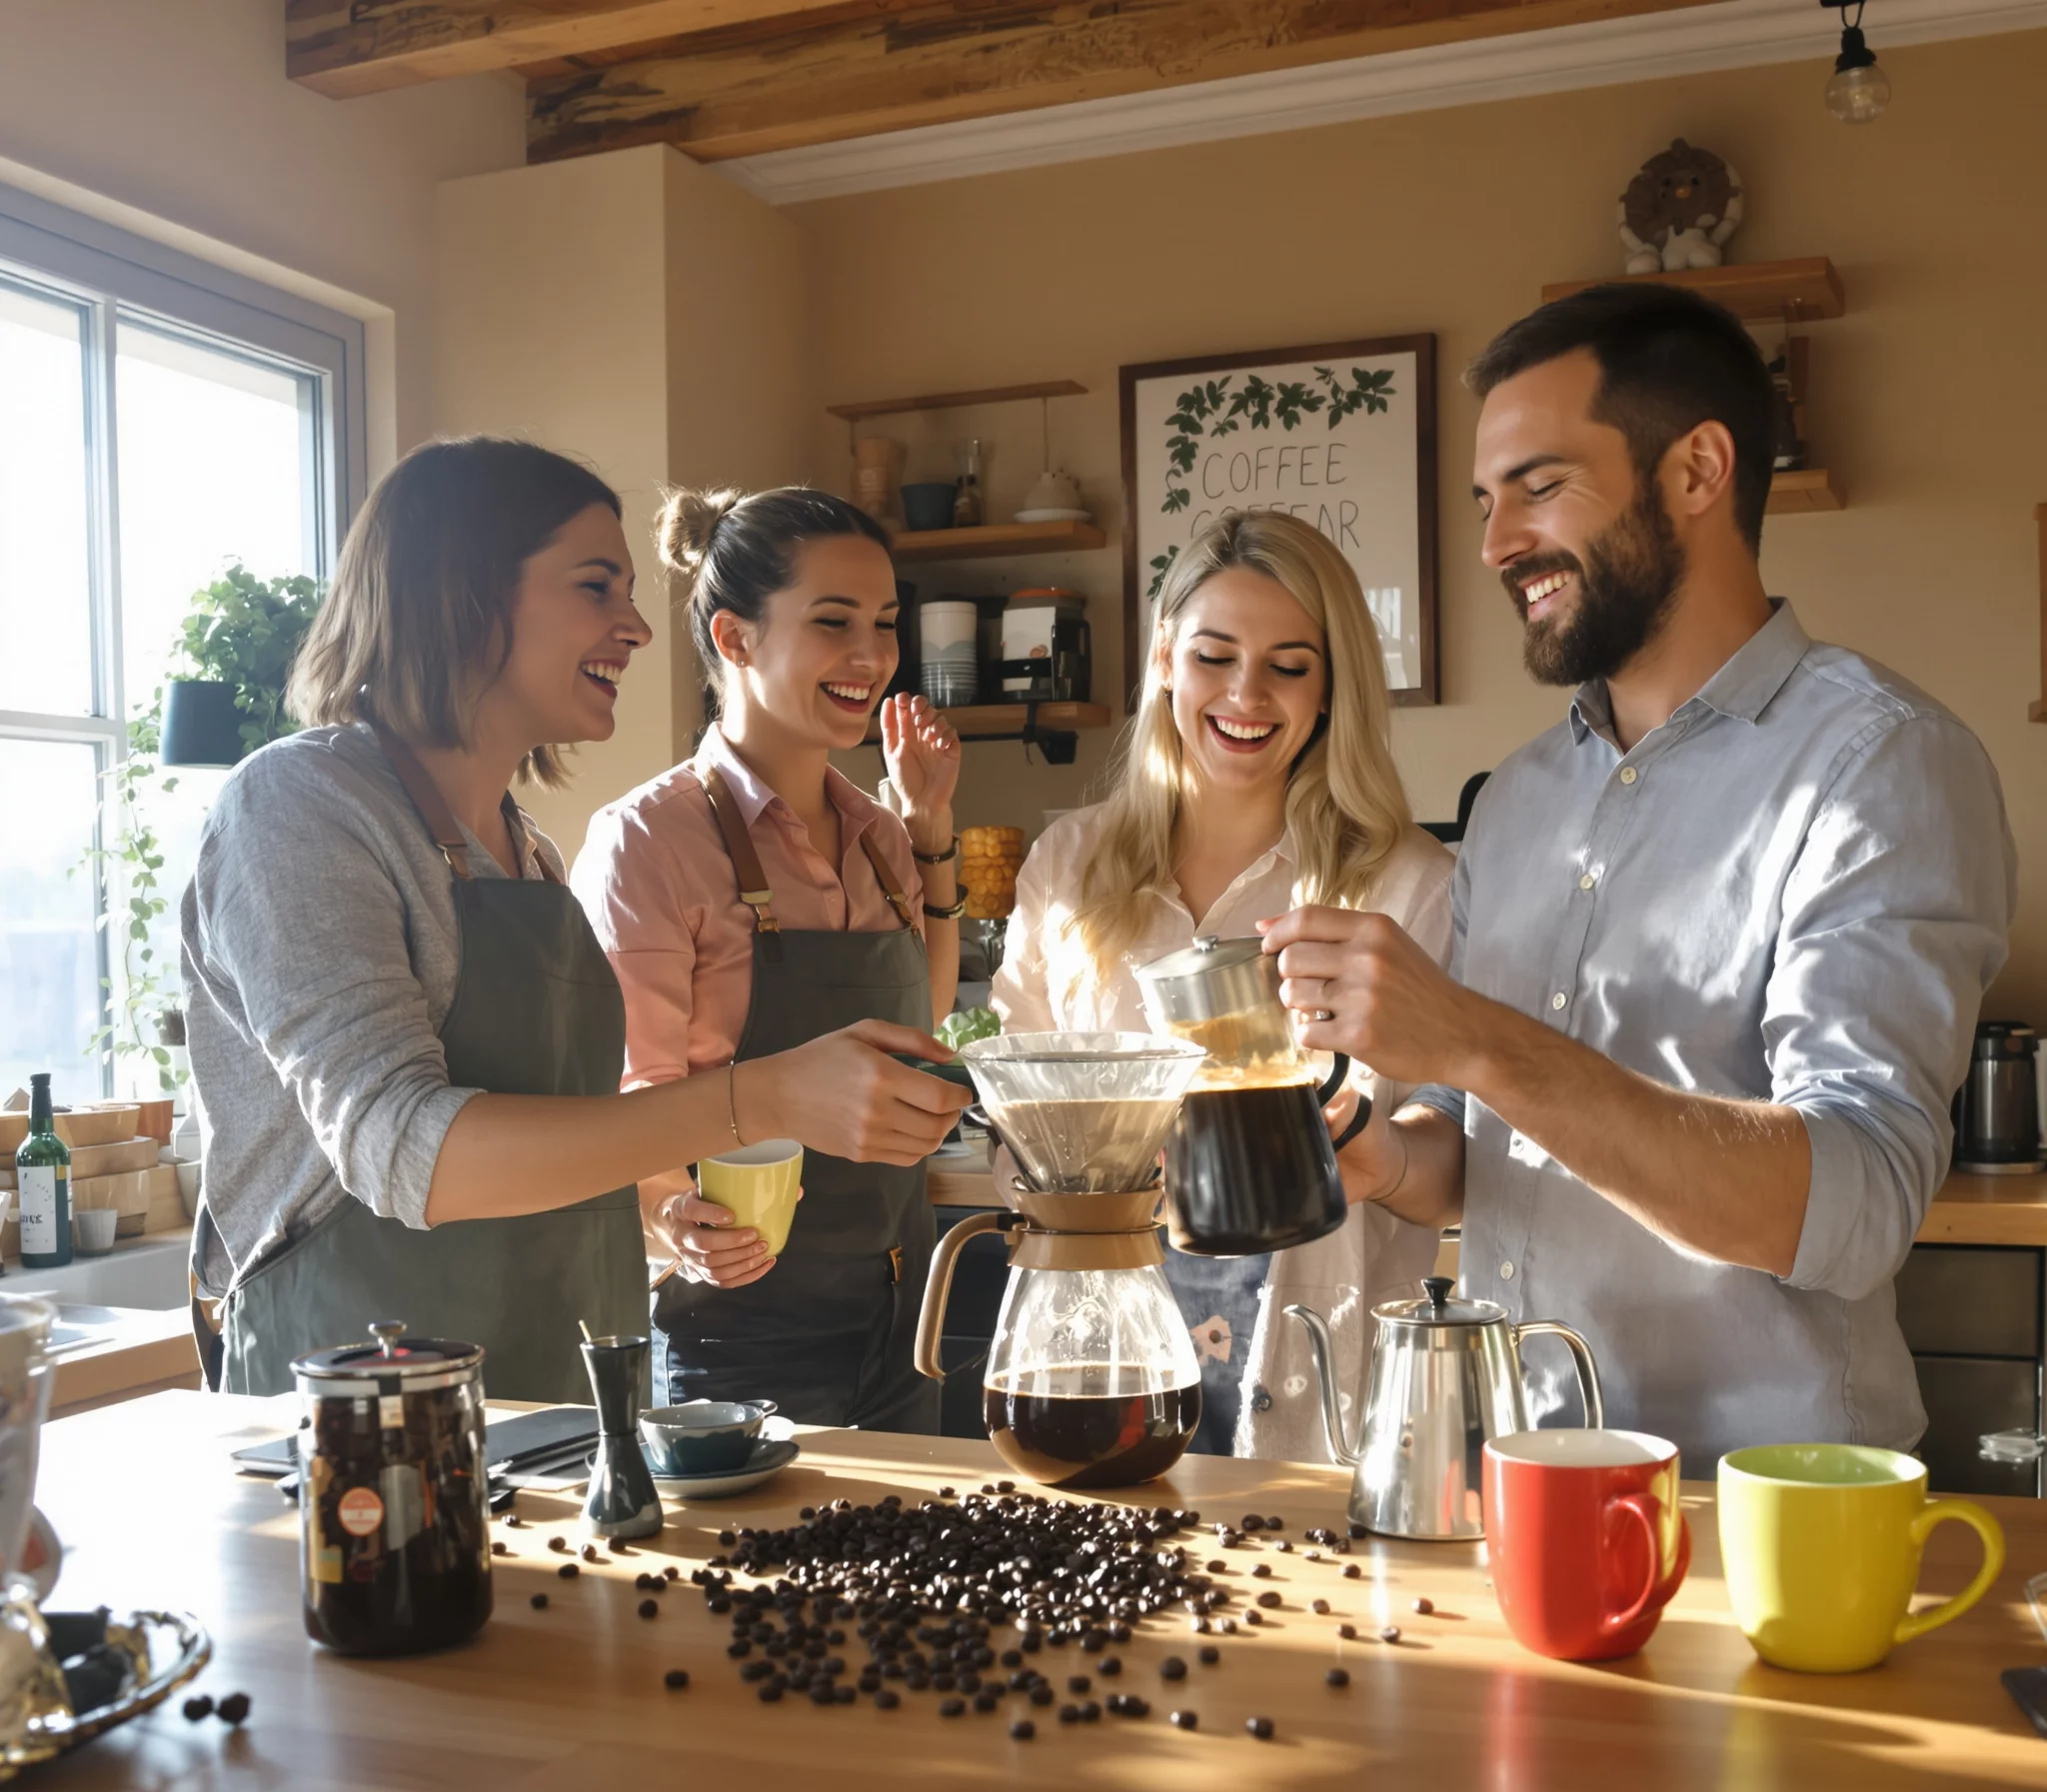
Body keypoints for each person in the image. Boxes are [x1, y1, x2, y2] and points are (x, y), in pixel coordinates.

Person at [1260, 284, 2014, 1472]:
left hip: (1758, 1512)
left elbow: (1854, 1201)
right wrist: (1386, 1158)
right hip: (1514, 1481)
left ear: (1696, 471)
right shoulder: (1512, 801)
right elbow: (1477, 1150)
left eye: (1539, 485)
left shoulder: (1878, 764)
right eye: (1484, 498)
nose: (1495, 542)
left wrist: (1474, 1038)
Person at [183, 440, 966, 1401]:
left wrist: (667, 1212)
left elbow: (588, 1155)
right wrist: (761, 1100)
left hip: (546, 1403)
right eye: (596, 587)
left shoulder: (529, 856)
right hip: (358, 1419)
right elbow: (401, 1151)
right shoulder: (299, 806)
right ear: (460, 592)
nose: (636, 628)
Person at [994, 511, 1452, 1457]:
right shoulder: (1066, 869)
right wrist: (1072, 1177)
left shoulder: (1408, 888)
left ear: (1331, 690)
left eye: (1290, 665)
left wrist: (1377, 1151)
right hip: (1099, 1373)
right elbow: (1013, 1124)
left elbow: (1460, 1170)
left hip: (1322, 1396)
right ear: (1164, 657)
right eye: (1214, 655)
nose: (1247, 694)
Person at [573, 487, 967, 1430]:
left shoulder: (878, 832)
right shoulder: (650, 842)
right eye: (833, 621)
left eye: (884, 623)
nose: (871, 656)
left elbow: (926, 1018)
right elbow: (617, 1105)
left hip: (905, 1315)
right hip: (740, 1334)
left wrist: (931, 828)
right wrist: (670, 1216)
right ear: (737, 638)